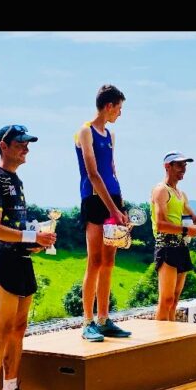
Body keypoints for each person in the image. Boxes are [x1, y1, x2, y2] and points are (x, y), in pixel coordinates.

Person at [0, 124, 57, 390]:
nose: (27, 148)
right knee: (2, 328)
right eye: (21, 143)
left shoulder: (17, 180)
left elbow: (18, 228)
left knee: (19, 327)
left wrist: (36, 240)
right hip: (3, 260)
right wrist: (32, 238)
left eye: (28, 143)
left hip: (22, 259)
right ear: (4, 145)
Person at [74, 84, 131, 342]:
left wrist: (121, 208)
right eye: (119, 108)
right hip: (95, 200)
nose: (120, 113)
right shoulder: (85, 132)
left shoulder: (111, 135)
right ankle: (87, 321)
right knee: (94, 261)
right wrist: (113, 210)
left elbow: (113, 170)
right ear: (108, 106)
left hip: (113, 200)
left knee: (109, 261)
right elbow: (93, 174)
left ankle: (104, 319)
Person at [151, 153, 196, 320]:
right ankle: (160, 341)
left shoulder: (181, 194)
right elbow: (160, 224)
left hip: (181, 246)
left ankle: (170, 337)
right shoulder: (161, 190)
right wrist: (187, 231)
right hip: (166, 246)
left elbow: (194, 217)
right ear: (167, 167)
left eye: (185, 165)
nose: (183, 169)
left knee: (175, 299)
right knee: (166, 299)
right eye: (179, 165)